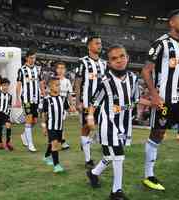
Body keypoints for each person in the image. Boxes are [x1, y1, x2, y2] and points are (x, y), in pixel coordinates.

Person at [141, 8, 179, 191]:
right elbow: (146, 70)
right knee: (157, 135)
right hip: (164, 101)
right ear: (172, 22)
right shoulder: (161, 43)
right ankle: (149, 175)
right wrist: (154, 94)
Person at [86, 45, 139, 200]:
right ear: (108, 63)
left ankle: (93, 173)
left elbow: (134, 100)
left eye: (122, 56)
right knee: (118, 156)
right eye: (114, 58)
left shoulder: (133, 78)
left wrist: (155, 102)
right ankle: (116, 192)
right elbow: (94, 101)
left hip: (124, 125)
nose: (119, 60)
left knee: (110, 156)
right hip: (108, 125)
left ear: (127, 57)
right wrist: (90, 117)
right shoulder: (105, 81)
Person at [74, 35, 107, 168]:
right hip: (87, 102)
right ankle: (88, 159)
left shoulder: (104, 63)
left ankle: (86, 142)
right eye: (96, 43)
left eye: (100, 43)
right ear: (89, 46)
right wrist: (77, 101)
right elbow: (77, 82)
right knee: (87, 128)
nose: (99, 45)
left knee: (102, 128)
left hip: (103, 103)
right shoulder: (83, 62)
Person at [16, 49, 45, 152]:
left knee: (34, 121)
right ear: (27, 58)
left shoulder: (38, 69)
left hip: (36, 98)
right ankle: (30, 144)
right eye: (31, 58)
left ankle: (24, 136)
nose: (33, 59)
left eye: (34, 58)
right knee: (29, 119)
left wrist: (43, 93)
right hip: (26, 99)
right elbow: (19, 84)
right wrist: (17, 98)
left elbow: (41, 82)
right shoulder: (22, 70)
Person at [42, 77, 71, 173]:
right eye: (56, 85)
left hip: (60, 126)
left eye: (59, 85)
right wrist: (44, 127)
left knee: (54, 143)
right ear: (50, 87)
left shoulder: (62, 99)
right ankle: (56, 165)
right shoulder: (47, 100)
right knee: (54, 144)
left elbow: (68, 108)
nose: (58, 87)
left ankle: (46, 156)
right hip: (51, 126)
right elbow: (44, 114)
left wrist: (73, 108)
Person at [55, 61, 75, 150]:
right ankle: (59, 141)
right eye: (59, 68)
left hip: (62, 105)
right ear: (56, 69)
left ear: (65, 70)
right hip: (54, 104)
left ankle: (61, 141)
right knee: (54, 123)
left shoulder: (67, 81)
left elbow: (69, 95)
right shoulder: (53, 79)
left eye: (62, 68)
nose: (61, 70)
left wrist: (72, 105)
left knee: (61, 124)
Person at [0, 78, 13, 150]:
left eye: (7, 85)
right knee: (0, 129)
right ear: (1, 85)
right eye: (4, 85)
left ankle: (8, 142)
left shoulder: (10, 96)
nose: (5, 87)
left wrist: (9, 114)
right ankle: (0, 143)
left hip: (6, 114)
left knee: (8, 126)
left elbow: (9, 106)